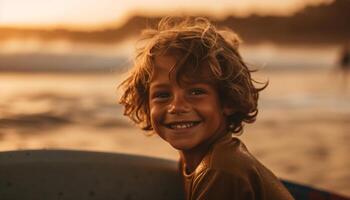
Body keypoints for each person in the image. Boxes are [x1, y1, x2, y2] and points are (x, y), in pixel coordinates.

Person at [119, 16, 294, 200]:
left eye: (196, 92)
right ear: (147, 105)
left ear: (228, 101)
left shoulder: (220, 170)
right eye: (162, 95)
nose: (176, 107)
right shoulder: (197, 162)